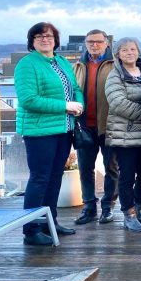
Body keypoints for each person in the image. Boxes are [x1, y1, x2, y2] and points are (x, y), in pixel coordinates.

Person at [15, 22, 84, 245]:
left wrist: (79, 105)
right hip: (39, 131)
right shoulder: (27, 64)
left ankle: (49, 223)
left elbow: (75, 89)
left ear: (55, 40)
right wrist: (66, 106)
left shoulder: (61, 61)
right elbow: (29, 100)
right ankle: (31, 229)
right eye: (39, 36)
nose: (45, 40)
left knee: (54, 178)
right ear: (32, 41)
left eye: (49, 36)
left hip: (63, 130)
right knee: (39, 179)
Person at [104, 38, 141, 232]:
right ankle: (129, 214)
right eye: (124, 50)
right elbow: (118, 103)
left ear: (138, 51)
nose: (129, 53)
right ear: (118, 54)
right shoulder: (115, 75)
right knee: (127, 176)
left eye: (133, 49)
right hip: (125, 135)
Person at [72, 29, 119, 225]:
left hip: (109, 126)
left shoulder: (115, 65)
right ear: (85, 44)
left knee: (112, 168)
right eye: (90, 42)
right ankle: (89, 207)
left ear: (106, 43)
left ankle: (108, 207)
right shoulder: (77, 66)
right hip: (84, 126)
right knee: (85, 169)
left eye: (99, 41)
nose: (94, 45)